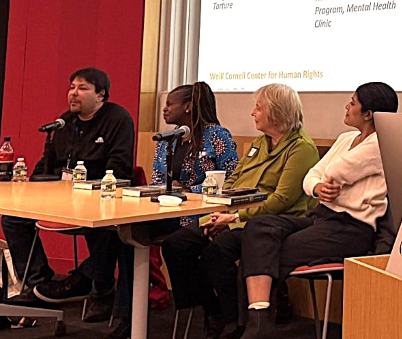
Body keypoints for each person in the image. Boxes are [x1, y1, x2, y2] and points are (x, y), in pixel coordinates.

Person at [238, 82, 398, 339]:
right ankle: (258, 323)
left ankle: (256, 325)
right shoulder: (346, 138)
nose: (347, 107)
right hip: (321, 218)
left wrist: (324, 180)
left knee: (265, 251)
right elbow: (312, 175)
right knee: (258, 229)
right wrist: (318, 187)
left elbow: (335, 171)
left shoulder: (382, 142)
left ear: (369, 113)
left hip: (351, 228)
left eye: (353, 102)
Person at [161, 83, 318, 339]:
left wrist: (233, 217)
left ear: (275, 112)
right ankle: (213, 310)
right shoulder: (259, 142)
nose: (252, 113)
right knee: (176, 245)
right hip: (233, 215)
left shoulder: (301, 148)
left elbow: (281, 199)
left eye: (258, 107)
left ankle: (236, 322)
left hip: (269, 223)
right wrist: (221, 210)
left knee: (216, 251)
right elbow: (234, 178)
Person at [106, 82, 239, 338]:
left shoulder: (217, 136)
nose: (164, 110)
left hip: (202, 212)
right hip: (168, 210)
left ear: (188, 107)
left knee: (176, 245)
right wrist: (175, 190)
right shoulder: (168, 140)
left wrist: (188, 191)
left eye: (170, 105)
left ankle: (210, 310)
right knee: (126, 234)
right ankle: (129, 313)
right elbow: (158, 181)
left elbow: (228, 179)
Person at [1, 68, 134, 307]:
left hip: (97, 199)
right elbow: (46, 163)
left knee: (105, 229)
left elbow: (120, 167)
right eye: (72, 87)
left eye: (82, 88)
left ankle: (92, 283)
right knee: (13, 216)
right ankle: (39, 282)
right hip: (61, 198)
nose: (73, 93)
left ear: (101, 95)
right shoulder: (63, 123)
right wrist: (31, 188)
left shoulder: (117, 119)